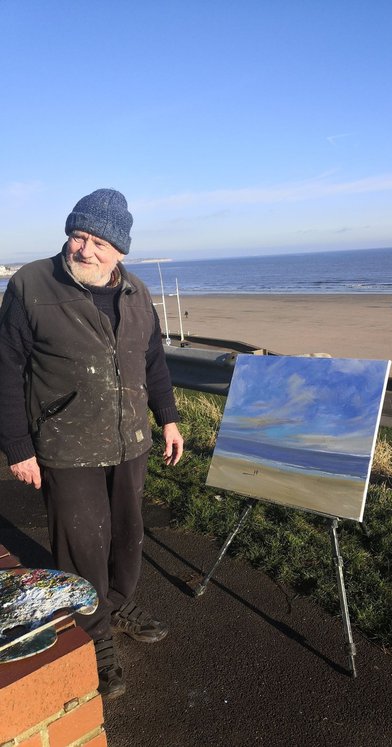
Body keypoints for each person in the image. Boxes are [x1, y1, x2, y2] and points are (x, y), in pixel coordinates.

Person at [0, 189, 184, 699]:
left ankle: (118, 601)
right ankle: (93, 632)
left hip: (130, 441)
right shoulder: (30, 284)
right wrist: (17, 446)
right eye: (78, 236)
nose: (85, 250)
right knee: (81, 541)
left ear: (120, 250)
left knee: (126, 535)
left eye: (99, 241)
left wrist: (167, 418)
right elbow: (6, 369)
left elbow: (154, 363)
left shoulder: (137, 292)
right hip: (65, 441)